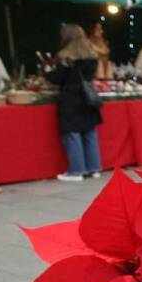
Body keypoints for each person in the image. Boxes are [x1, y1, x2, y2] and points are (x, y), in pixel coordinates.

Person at [45, 24, 103, 182]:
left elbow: (56, 78)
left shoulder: (66, 56)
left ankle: (77, 171)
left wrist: (47, 71)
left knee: (72, 134)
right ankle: (94, 168)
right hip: (88, 99)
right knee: (90, 133)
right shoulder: (92, 54)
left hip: (71, 99)